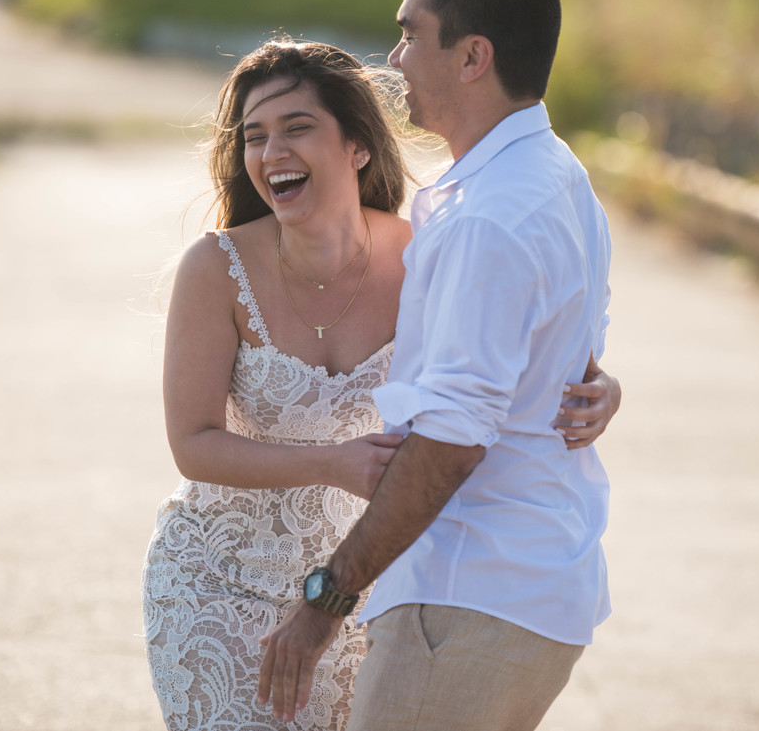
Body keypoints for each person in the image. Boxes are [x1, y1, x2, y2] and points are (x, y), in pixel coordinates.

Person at [142, 39, 619, 731]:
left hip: (362, 586)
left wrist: (601, 387)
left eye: (297, 129)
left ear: (357, 146)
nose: (271, 152)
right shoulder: (214, 268)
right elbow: (192, 443)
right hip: (213, 579)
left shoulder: (428, 247)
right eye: (255, 136)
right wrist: (330, 461)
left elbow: (514, 350)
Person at [257, 0, 617, 731]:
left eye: (412, 34)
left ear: (472, 56)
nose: (394, 56)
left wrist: (327, 597)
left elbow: (450, 441)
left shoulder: (488, 216)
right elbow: (569, 344)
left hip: (467, 596)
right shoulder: (554, 173)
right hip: (529, 587)